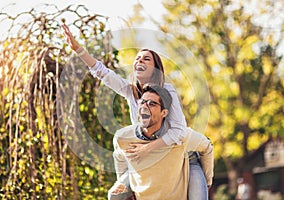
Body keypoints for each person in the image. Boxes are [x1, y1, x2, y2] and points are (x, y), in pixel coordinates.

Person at [61, 23, 212, 199]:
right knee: (116, 195)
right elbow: (102, 72)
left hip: (182, 158)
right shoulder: (129, 91)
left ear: (155, 68)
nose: (139, 60)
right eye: (138, 58)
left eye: (146, 59)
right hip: (147, 159)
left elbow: (178, 131)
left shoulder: (167, 90)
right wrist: (78, 49)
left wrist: (147, 148)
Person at [109, 84, 213, 199]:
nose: (145, 106)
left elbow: (207, 147)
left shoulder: (179, 136)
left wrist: (207, 181)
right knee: (114, 195)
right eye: (142, 102)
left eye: (151, 103)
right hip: (145, 194)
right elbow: (119, 158)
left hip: (176, 194)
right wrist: (126, 185)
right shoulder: (123, 137)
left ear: (164, 113)